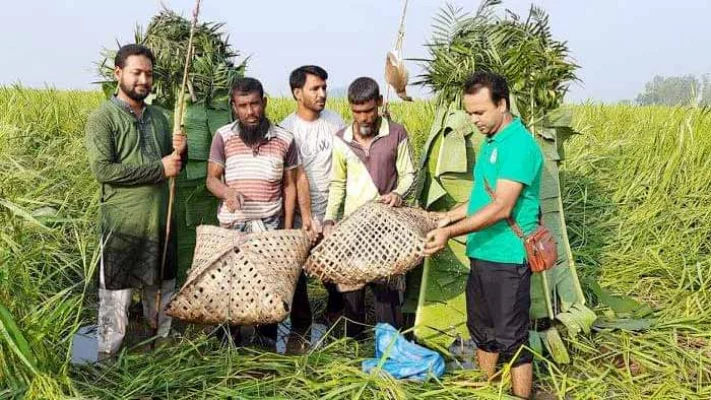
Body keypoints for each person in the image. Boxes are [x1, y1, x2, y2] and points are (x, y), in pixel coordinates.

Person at [424, 71, 543, 399]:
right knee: (482, 330)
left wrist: (449, 232)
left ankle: (522, 396)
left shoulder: (519, 145)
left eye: (480, 112)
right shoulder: (492, 143)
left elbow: (502, 207)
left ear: (502, 104)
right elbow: (481, 198)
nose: (473, 119)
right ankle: (486, 390)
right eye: (469, 112)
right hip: (482, 253)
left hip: (508, 257)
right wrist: (446, 215)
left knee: (512, 337)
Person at [85, 44, 187, 359]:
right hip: (123, 225)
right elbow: (103, 170)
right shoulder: (103, 118)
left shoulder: (161, 117)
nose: (144, 80)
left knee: (161, 291)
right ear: (118, 74)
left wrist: (180, 152)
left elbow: (174, 166)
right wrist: (160, 167)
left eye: (149, 73)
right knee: (116, 298)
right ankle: (108, 359)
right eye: (136, 72)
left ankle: (160, 351)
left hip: (160, 220)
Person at [206, 77, 314, 349]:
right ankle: (228, 347)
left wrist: (286, 229)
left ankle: (265, 348)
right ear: (234, 106)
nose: (250, 112)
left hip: (269, 229)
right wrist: (227, 193)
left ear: (264, 102)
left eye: (255, 104)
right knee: (230, 293)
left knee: (267, 294)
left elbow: (289, 185)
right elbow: (212, 179)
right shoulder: (223, 136)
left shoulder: (284, 139)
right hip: (233, 230)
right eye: (243, 106)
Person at [323, 77, 416, 339]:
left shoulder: (396, 133)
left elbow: (409, 173)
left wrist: (398, 193)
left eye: (368, 111)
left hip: (387, 227)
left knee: (386, 290)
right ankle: (354, 342)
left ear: (379, 103)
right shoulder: (341, 139)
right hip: (353, 227)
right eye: (357, 111)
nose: (363, 117)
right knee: (352, 291)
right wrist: (330, 218)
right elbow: (337, 183)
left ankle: (390, 345)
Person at [280, 65, 346, 349]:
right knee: (297, 275)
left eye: (324, 88)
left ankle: (337, 320)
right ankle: (300, 328)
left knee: (336, 273)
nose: (322, 94)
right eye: (315, 88)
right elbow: (290, 179)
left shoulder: (335, 122)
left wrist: (331, 215)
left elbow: (346, 167)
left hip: (333, 213)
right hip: (300, 216)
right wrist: (301, 217)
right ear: (297, 93)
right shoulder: (286, 129)